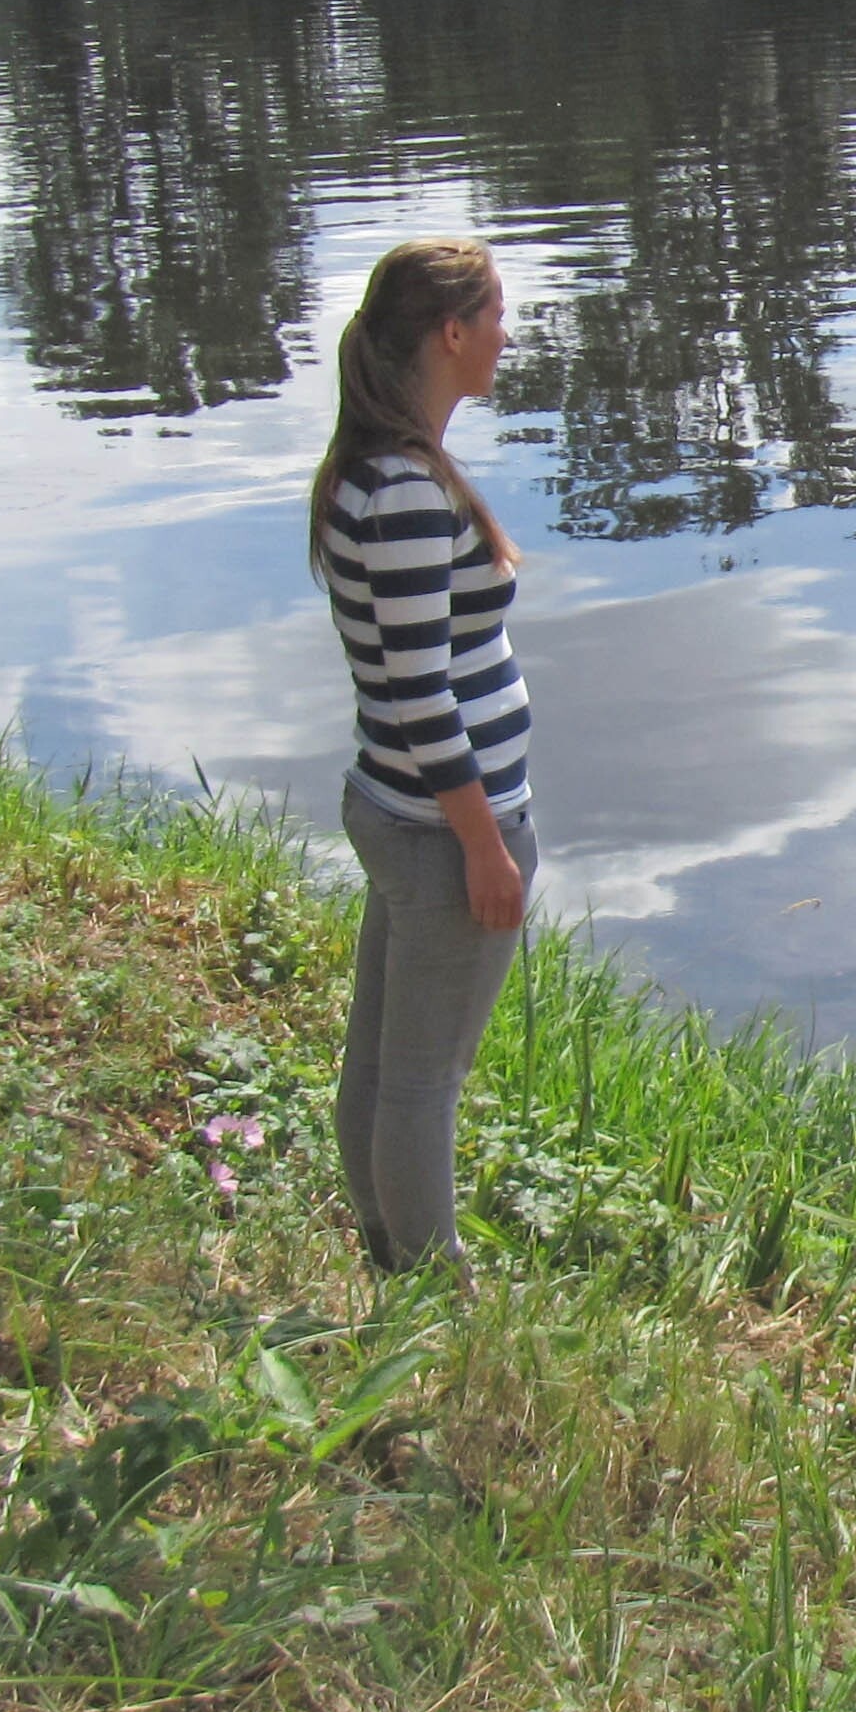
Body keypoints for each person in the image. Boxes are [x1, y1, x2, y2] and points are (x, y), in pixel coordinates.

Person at [307, 238, 534, 1276]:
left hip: (401, 808)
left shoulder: (385, 468)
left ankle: (384, 1250)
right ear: (449, 334)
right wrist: (484, 844)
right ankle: (430, 1291)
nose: (504, 335)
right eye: (492, 316)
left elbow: (411, 675)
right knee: (421, 1079)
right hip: (439, 825)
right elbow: (420, 691)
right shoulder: (400, 488)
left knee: (387, 1059)